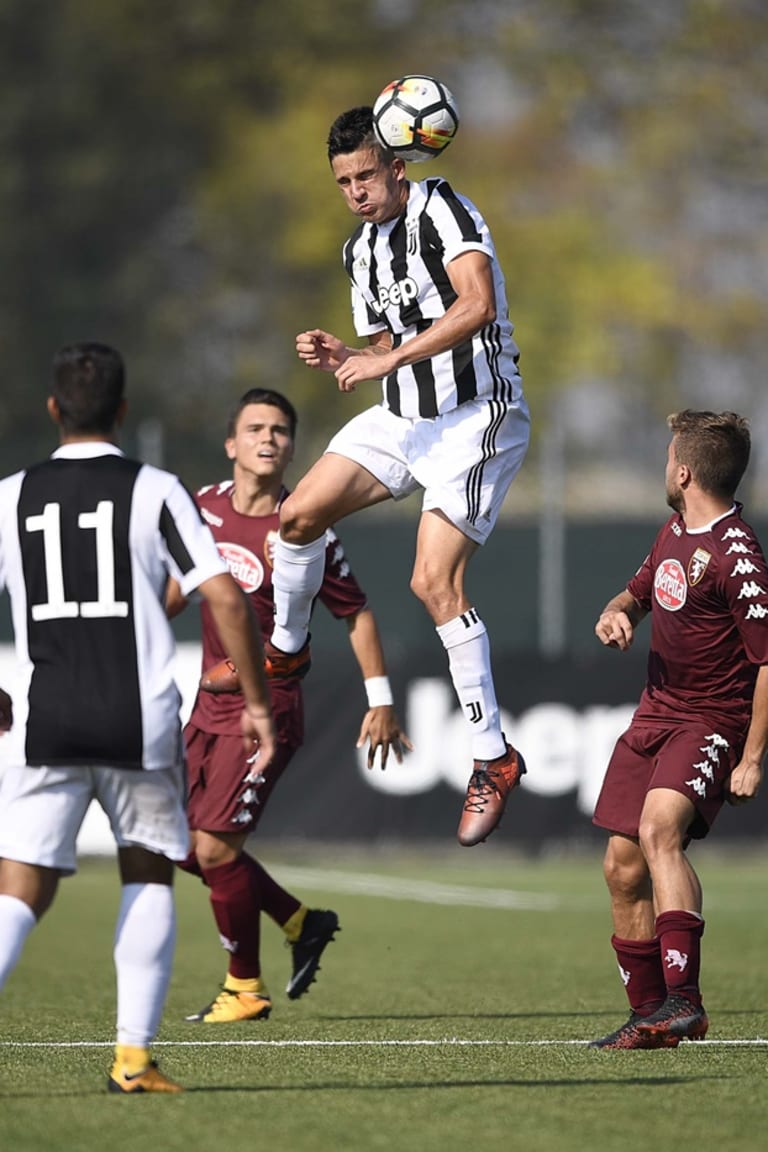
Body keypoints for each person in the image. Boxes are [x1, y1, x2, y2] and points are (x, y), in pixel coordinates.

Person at [0, 343, 276, 1093]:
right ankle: (132, 1059)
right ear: (122, 412)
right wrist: (257, 704)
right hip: (139, 718)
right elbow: (221, 595)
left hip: (44, 717)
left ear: (54, 410)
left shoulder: (11, 493)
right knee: (148, 873)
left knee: (18, 889)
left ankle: (133, 1057)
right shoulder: (154, 488)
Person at [266, 104, 530, 848]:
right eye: (343, 180)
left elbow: (475, 306)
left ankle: (492, 756)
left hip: (477, 415)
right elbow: (385, 343)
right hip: (407, 416)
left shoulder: (444, 209)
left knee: (431, 584)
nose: (355, 191)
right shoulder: (359, 252)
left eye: (365, 175)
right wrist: (347, 352)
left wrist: (383, 360)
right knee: (295, 517)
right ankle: (288, 647)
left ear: (397, 167)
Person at [166, 386, 409, 1023]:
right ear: (231, 445)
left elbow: (355, 613)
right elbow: (170, 589)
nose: (268, 438)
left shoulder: (304, 525)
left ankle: (244, 988)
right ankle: (301, 922)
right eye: (255, 428)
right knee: (178, 844)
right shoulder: (201, 509)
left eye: (279, 429)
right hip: (204, 705)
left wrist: (378, 699)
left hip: (265, 708)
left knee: (216, 851)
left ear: (293, 446)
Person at [590, 410, 768, 1050]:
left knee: (659, 829)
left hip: (711, 718)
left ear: (685, 470)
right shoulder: (672, 532)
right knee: (621, 865)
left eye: (669, 457)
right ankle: (650, 1017)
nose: (665, 466)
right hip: (654, 714)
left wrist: (751, 758)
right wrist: (616, 615)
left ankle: (683, 1001)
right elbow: (633, 593)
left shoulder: (738, 556)